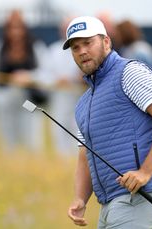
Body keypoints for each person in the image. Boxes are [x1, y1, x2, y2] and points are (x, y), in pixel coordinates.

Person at [64, 16, 152, 228]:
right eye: (75, 47)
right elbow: (85, 154)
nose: (82, 51)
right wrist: (81, 198)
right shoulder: (83, 103)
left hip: (141, 196)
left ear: (106, 42)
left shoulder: (130, 72)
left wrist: (145, 172)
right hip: (110, 202)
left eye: (88, 43)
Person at [0, 10, 49, 153]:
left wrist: (29, 77)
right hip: (6, 99)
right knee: (8, 142)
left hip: (28, 100)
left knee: (32, 140)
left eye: (19, 27)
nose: (16, 32)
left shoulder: (35, 47)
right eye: (12, 27)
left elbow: (47, 73)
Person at [46, 17, 84, 156]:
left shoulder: (84, 49)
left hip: (79, 99)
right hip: (59, 99)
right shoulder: (54, 50)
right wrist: (56, 80)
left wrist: (74, 79)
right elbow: (45, 74)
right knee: (59, 131)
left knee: (78, 133)